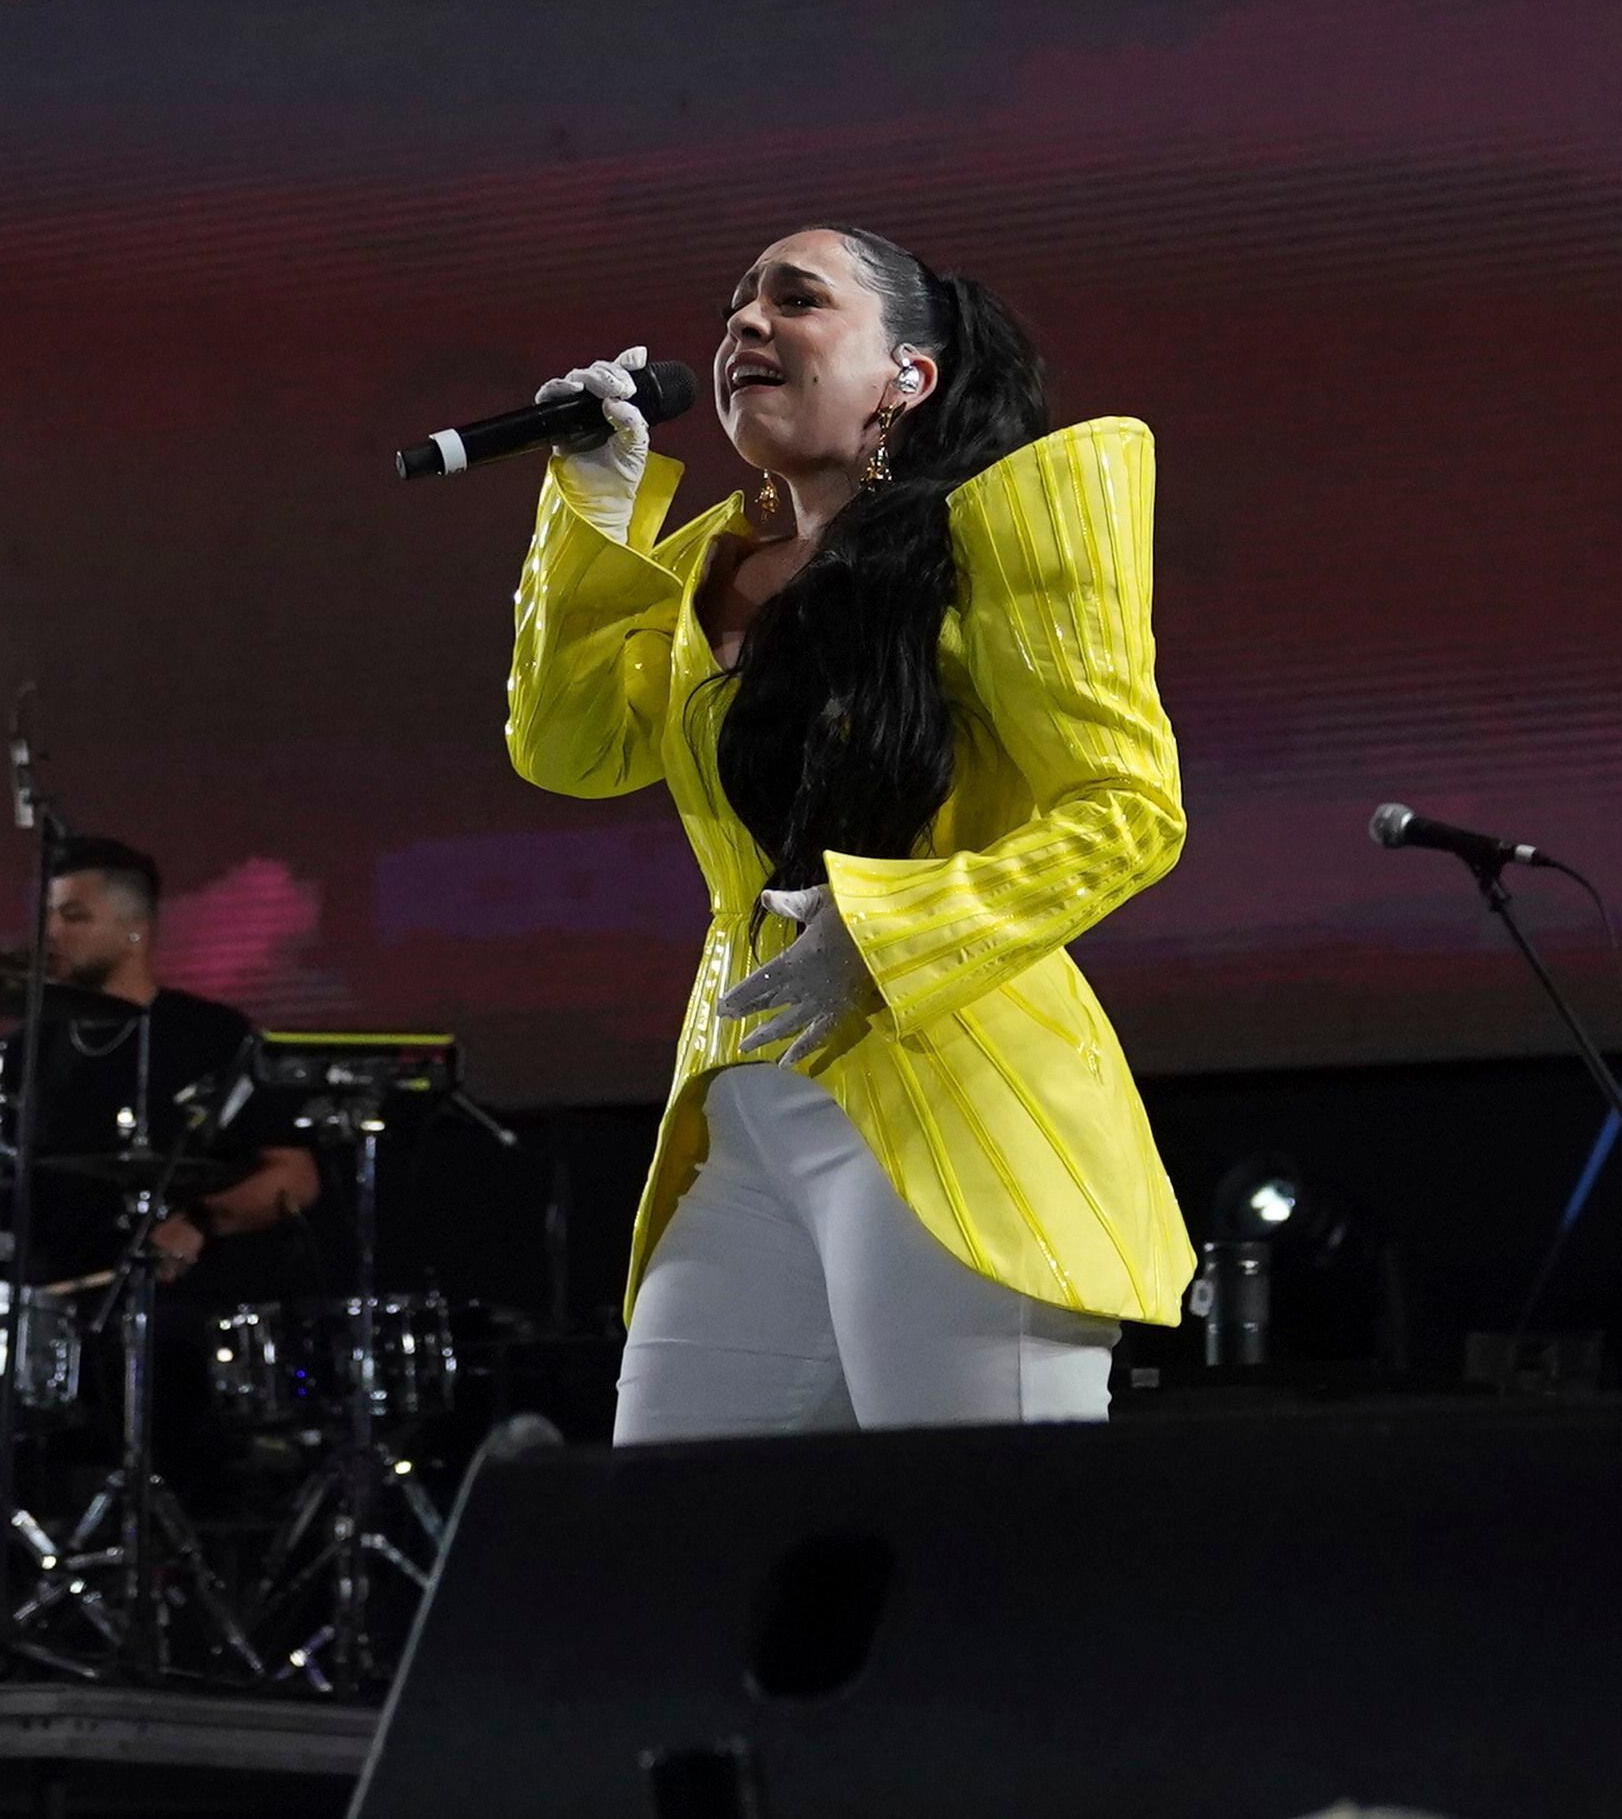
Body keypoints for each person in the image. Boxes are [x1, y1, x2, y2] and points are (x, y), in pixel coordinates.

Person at [504, 226, 1193, 1439]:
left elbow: (1127, 810)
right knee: (683, 1556)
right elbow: (567, 750)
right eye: (731, 309)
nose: (742, 327)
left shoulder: (996, 540)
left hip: (953, 1080)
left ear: (907, 376)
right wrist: (597, 507)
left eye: (795, 299)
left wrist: (886, 936)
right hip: (746, 1104)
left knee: (975, 1571)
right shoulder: (710, 573)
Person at [0, 839, 322, 1299]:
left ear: (135, 929)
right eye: (50, 916)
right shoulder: (27, 1046)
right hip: (36, 1308)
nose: (52, 933)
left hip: (170, 1306)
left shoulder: (210, 1035)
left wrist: (199, 1221)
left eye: (74, 916)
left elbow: (295, 1176)